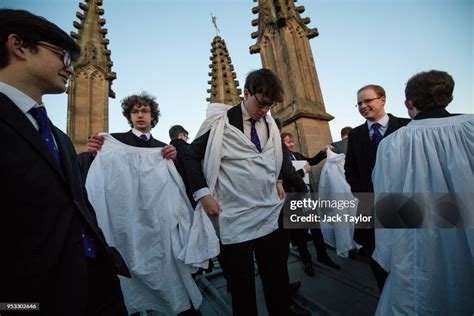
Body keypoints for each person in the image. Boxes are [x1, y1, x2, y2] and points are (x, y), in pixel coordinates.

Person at [0, 9, 130, 316]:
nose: (68, 68)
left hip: (96, 283)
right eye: (62, 55)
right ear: (18, 45)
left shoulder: (57, 137)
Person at [183, 68, 295, 315]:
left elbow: (276, 154)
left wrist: (277, 178)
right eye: (262, 103)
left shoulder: (271, 123)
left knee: (277, 278)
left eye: (270, 105)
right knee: (241, 286)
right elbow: (190, 154)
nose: (265, 110)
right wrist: (203, 195)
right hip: (233, 216)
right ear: (246, 93)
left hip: (269, 212)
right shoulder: (220, 123)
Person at [84, 95, 203, 315]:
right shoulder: (114, 142)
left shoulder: (163, 149)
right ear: (129, 116)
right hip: (127, 224)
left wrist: (173, 160)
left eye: (145, 111)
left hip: (159, 225)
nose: (140, 115)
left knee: (167, 269)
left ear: (152, 116)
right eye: (135, 111)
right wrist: (94, 153)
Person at [372, 70, 474, 315]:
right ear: (447, 96)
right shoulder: (470, 128)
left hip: (418, 239)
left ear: (409, 103)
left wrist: (385, 253)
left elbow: (387, 205)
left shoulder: (392, 144)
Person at [344, 84, 410, 292]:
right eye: (359, 103)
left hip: (405, 206)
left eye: (367, 101)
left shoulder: (407, 126)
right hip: (370, 208)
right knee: (377, 258)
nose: (363, 106)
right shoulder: (355, 135)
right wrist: (363, 194)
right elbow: (350, 170)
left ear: (382, 99)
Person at [281, 132, 341, 275]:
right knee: (300, 234)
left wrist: (322, 152)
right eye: (288, 142)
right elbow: (287, 178)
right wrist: (302, 171)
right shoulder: (280, 160)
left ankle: (323, 256)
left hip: (307, 197)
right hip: (294, 199)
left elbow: (311, 161)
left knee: (316, 229)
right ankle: (307, 261)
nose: (292, 144)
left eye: (292, 141)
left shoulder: (298, 155)